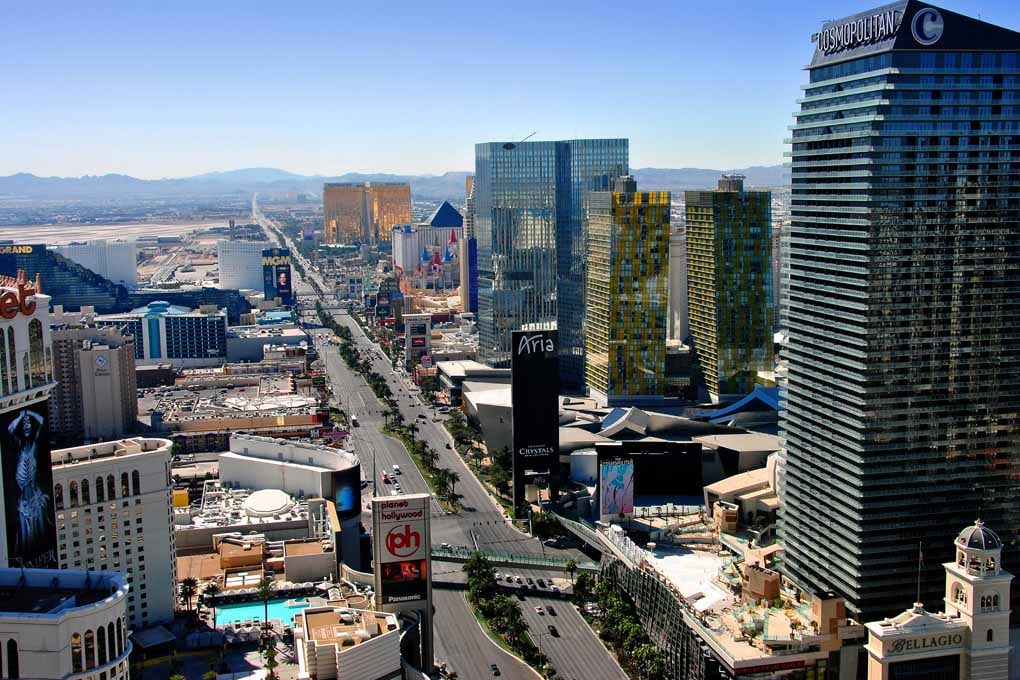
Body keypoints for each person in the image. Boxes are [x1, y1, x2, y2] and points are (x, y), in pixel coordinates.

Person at [8, 408, 51, 557]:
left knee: (39, 531)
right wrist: (21, 416)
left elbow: (42, 421)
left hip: (34, 494)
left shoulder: (34, 446)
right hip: (24, 501)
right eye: (24, 423)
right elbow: (10, 428)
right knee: (25, 535)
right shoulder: (19, 446)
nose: (27, 425)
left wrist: (30, 414)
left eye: (29, 423)